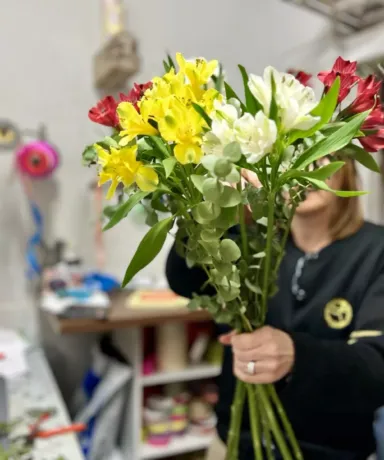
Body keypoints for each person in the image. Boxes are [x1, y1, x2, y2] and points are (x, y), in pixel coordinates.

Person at [165, 158, 384, 460]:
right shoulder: (250, 238)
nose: (305, 169)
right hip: (235, 440)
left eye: (323, 155)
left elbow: (377, 367)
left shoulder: (376, 251)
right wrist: (216, 210)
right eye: (292, 155)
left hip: (330, 450)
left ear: (348, 170)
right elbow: (185, 280)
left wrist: (297, 356)